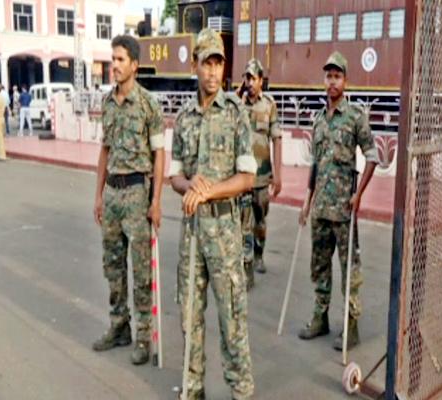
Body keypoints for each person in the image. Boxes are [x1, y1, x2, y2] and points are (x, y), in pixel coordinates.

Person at [169, 28, 255, 399]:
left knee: (232, 321)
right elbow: (174, 175)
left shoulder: (236, 114)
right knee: (190, 318)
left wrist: (209, 191)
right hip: (191, 236)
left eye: (219, 63)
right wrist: (189, 187)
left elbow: (248, 177)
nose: (213, 72)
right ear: (195, 65)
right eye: (206, 63)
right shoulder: (184, 117)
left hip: (224, 235)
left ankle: (241, 392)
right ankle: (192, 389)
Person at [91, 35, 165, 366]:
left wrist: (156, 200)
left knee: (140, 270)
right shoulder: (107, 104)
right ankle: (119, 326)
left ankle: (143, 337)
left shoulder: (149, 104)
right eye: (113, 59)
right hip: (112, 193)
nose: (114, 65)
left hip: (137, 192)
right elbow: (104, 150)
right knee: (113, 265)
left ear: (134, 65)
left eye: (120, 59)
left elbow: (159, 154)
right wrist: (98, 195)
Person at [297, 52, 378, 351]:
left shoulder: (356, 116)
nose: (332, 82)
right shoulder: (319, 121)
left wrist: (359, 195)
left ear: (345, 80)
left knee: (349, 271)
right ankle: (321, 318)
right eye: (328, 76)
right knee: (319, 266)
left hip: (344, 210)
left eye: (337, 76)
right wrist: (306, 201)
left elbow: (373, 157)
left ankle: (351, 327)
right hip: (320, 210)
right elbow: (315, 165)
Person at [237, 58, 282, 289]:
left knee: (260, 220)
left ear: (261, 80)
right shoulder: (239, 105)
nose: (250, 82)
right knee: (244, 221)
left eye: (253, 78)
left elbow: (276, 138)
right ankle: (247, 264)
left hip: (263, 176)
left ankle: (259, 254)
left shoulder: (269, 105)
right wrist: (238, 97)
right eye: (247, 77)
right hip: (244, 176)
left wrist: (279, 174)